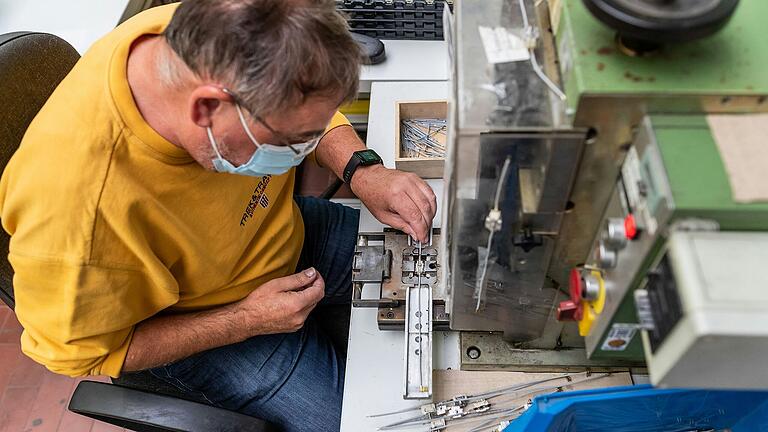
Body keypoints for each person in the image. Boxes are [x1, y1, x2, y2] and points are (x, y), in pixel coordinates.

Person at [0, 1, 436, 430]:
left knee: (445, 253)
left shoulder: (204, 30)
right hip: (211, 322)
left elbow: (307, 105)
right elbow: (79, 353)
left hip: (277, 231)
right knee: (382, 424)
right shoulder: (77, 222)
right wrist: (245, 320)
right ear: (206, 109)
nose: (301, 154)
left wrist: (361, 168)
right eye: (290, 141)